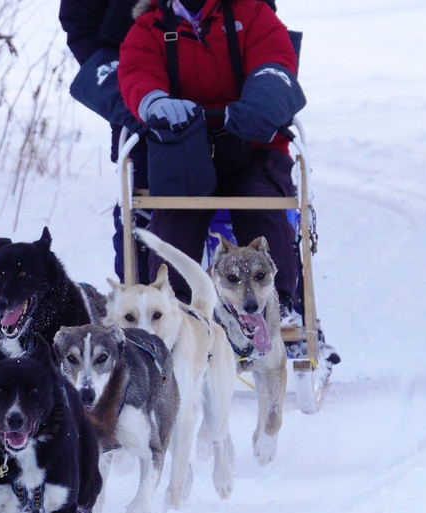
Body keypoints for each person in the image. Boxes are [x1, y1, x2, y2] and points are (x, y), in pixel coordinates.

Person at [118, 0, 306, 319]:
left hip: (254, 142)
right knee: (177, 213)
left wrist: (262, 98)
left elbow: (274, 60)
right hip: (183, 148)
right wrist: (154, 100)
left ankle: (279, 303)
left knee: (260, 202)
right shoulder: (150, 26)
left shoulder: (252, 12)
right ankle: (170, 309)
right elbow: (137, 70)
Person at [59, 0, 153, 283]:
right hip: (135, 97)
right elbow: (79, 24)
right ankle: (138, 308)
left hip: (226, 100)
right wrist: (123, 85)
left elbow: (260, 15)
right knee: (140, 203)